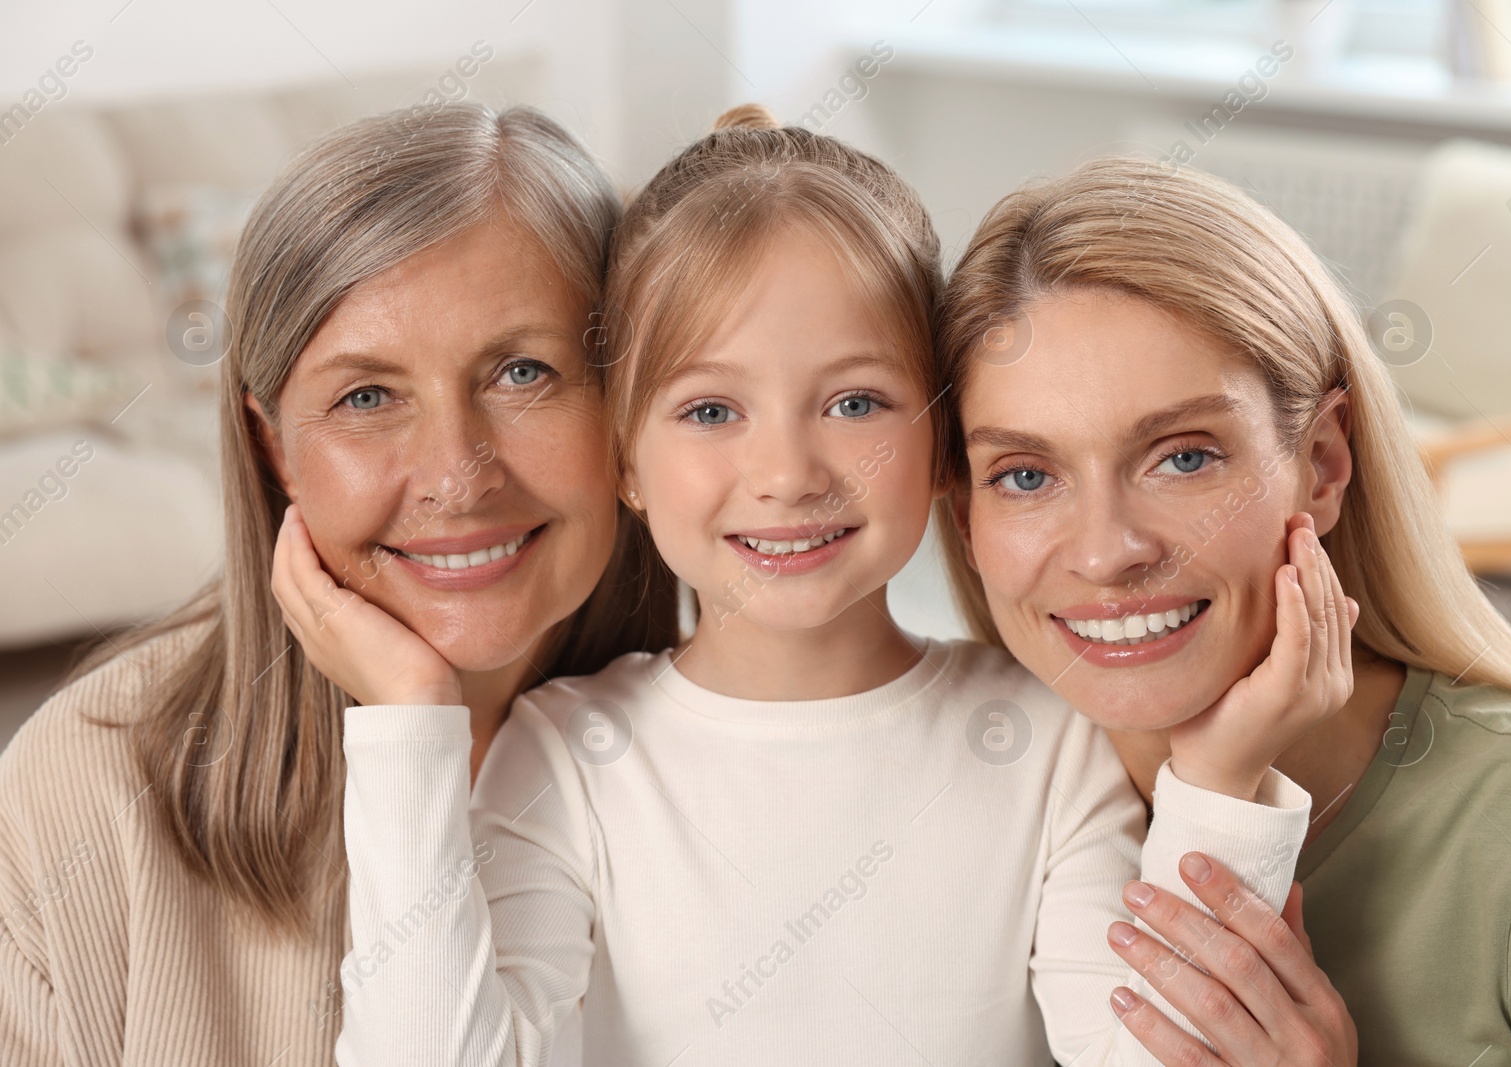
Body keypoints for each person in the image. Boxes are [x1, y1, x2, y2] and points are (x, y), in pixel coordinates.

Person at [277, 105, 1358, 1067]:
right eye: (710, 411)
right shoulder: (563, 754)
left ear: (948, 445)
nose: (788, 474)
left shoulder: (1044, 739)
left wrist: (1219, 777)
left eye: (855, 403)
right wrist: (409, 722)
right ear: (622, 460)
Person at [0, 103, 675, 1066]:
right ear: (272, 447)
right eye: (367, 396)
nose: (455, 473)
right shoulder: (82, 792)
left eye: (523, 372)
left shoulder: (731, 755)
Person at [936, 156, 1511, 1065]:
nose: (1105, 550)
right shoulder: (954, 803)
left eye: (1183, 457)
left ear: (1322, 464)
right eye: (1026, 475)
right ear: (966, 519)